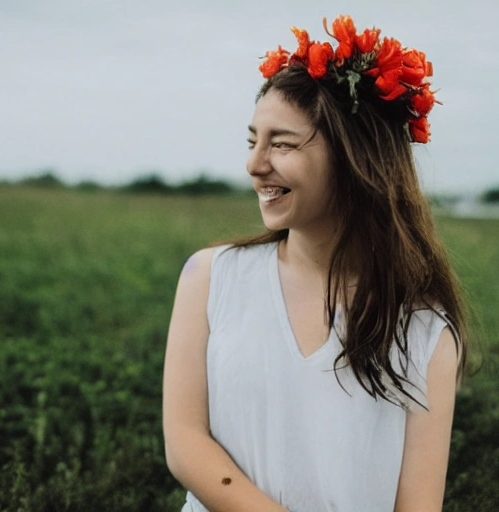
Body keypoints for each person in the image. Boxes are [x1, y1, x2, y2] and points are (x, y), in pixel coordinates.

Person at [162, 14, 468, 512]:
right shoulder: (211, 276)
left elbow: (417, 503)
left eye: (280, 144)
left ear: (356, 156)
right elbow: (185, 442)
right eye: (252, 141)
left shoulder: (424, 328)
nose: (254, 163)